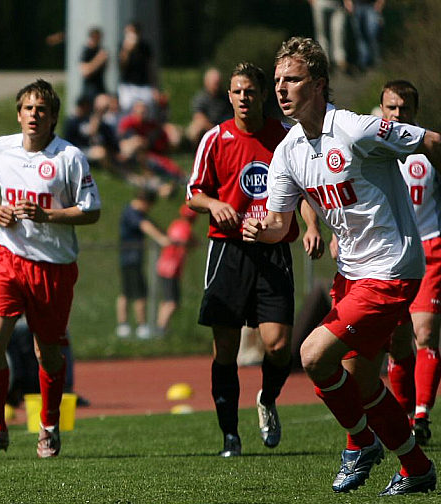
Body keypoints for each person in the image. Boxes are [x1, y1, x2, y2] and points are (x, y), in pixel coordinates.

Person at [243, 36, 441, 495]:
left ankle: (362, 443)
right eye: (278, 80)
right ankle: (416, 467)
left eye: (292, 79)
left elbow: (432, 141)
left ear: (319, 84)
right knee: (361, 378)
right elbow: (279, 223)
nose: (281, 89)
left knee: (313, 355)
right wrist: (259, 229)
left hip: (391, 268)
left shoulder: (355, 128)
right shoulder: (288, 151)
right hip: (350, 273)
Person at [187, 62, 323, 458]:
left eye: (250, 91)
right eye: (237, 91)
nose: (244, 98)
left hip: (273, 249)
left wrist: (311, 226)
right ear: (228, 96)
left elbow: (304, 190)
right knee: (225, 349)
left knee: (278, 346)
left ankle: (267, 398)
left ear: (263, 95)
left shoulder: (285, 136)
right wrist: (215, 205)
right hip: (228, 251)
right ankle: (230, 435)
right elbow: (193, 193)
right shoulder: (215, 138)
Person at [0, 79, 101, 459]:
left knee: (47, 352)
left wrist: (48, 215)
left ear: (52, 117)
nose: (34, 115)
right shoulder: (1, 148)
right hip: (8, 257)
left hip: (52, 266)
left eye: (41, 110)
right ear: (19, 114)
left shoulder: (69, 157)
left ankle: (48, 425)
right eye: (28, 108)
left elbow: (91, 210)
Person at [378, 80, 441, 445]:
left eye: (404, 108)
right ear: (382, 110)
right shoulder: (371, 146)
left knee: (426, 335)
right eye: (391, 108)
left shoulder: (431, 147)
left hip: (431, 246)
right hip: (388, 252)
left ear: (415, 111)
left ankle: (421, 416)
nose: (398, 114)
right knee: (397, 341)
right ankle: (404, 415)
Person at [116, 188, 170, 340]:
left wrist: (166, 234)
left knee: (127, 292)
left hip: (128, 258)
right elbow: (145, 226)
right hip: (131, 258)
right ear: (145, 202)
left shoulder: (136, 212)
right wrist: (161, 239)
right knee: (138, 293)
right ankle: (141, 326)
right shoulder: (132, 213)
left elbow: (152, 224)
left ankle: (124, 326)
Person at [155, 204, 197, 335]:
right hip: (172, 268)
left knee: (166, 299)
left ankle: (161, 327)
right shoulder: (186, 229)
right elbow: (187, 244)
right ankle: (161, 329)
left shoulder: (176, 224)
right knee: (172, 302)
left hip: (163, 265)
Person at [185, 67, 233, 147]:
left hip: (224, 125)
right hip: (208, 126)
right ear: (207, 82)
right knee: (194, 130)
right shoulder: (200, 98)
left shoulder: (226, 98)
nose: (217, 86)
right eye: (215, 83)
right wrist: (214, 129)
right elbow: (198, 117)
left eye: (218, 83)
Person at [117, 22, 155, 114]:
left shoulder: (145, 47)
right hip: (128, 86)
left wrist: (154, 86)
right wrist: (127, 50)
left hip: (144, 85)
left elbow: (150, 67)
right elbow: (121, 66)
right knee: (126, 109)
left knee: (148, 110)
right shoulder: (122, 46)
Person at [308, 0, 348, 73]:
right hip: (320, 3)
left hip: (338, 4)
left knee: (339, 32)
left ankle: (340, 59)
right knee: (321, 33)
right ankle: (325, 59)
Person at [344, 0, 384, 71]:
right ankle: (363, 63)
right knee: (359, 36)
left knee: (372, 33)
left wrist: (380, 3)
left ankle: (375, 60)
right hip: (356, 6)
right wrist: (347, 2)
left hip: (372, 5)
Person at [78, 27, 108, 101]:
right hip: (89, 90)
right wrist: (99, 60)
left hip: (100, 87)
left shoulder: (100, 50)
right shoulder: (86, 51)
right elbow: (85, 72)